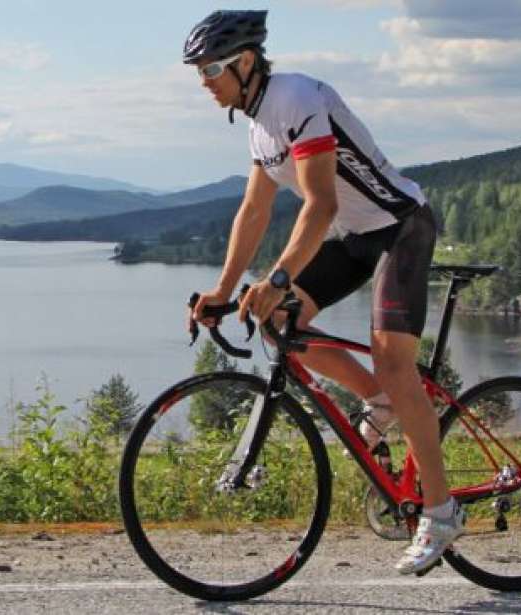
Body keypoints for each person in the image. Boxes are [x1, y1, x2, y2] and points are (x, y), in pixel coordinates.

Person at [184, 10, 464, 575]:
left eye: (211, 69)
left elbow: (321, 203)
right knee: (278, 324)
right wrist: (221, 289)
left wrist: (280, 277)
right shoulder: (260, 122)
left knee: (393, 359)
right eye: (197, 72)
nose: (204, 82)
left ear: (244, 62)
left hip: (400, 226)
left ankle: (441, 510)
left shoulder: (297, 97)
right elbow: (255, 209)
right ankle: (380, 401)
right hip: (354, 238)